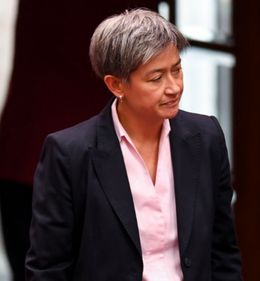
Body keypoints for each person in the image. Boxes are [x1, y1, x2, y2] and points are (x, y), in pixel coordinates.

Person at [25, 8, 242, 281]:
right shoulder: (69, 153)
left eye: (177, 70)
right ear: (116, 85)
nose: (174, 87)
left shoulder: (206, 136)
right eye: (156, 78)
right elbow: (48, 268)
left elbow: (223, 252)